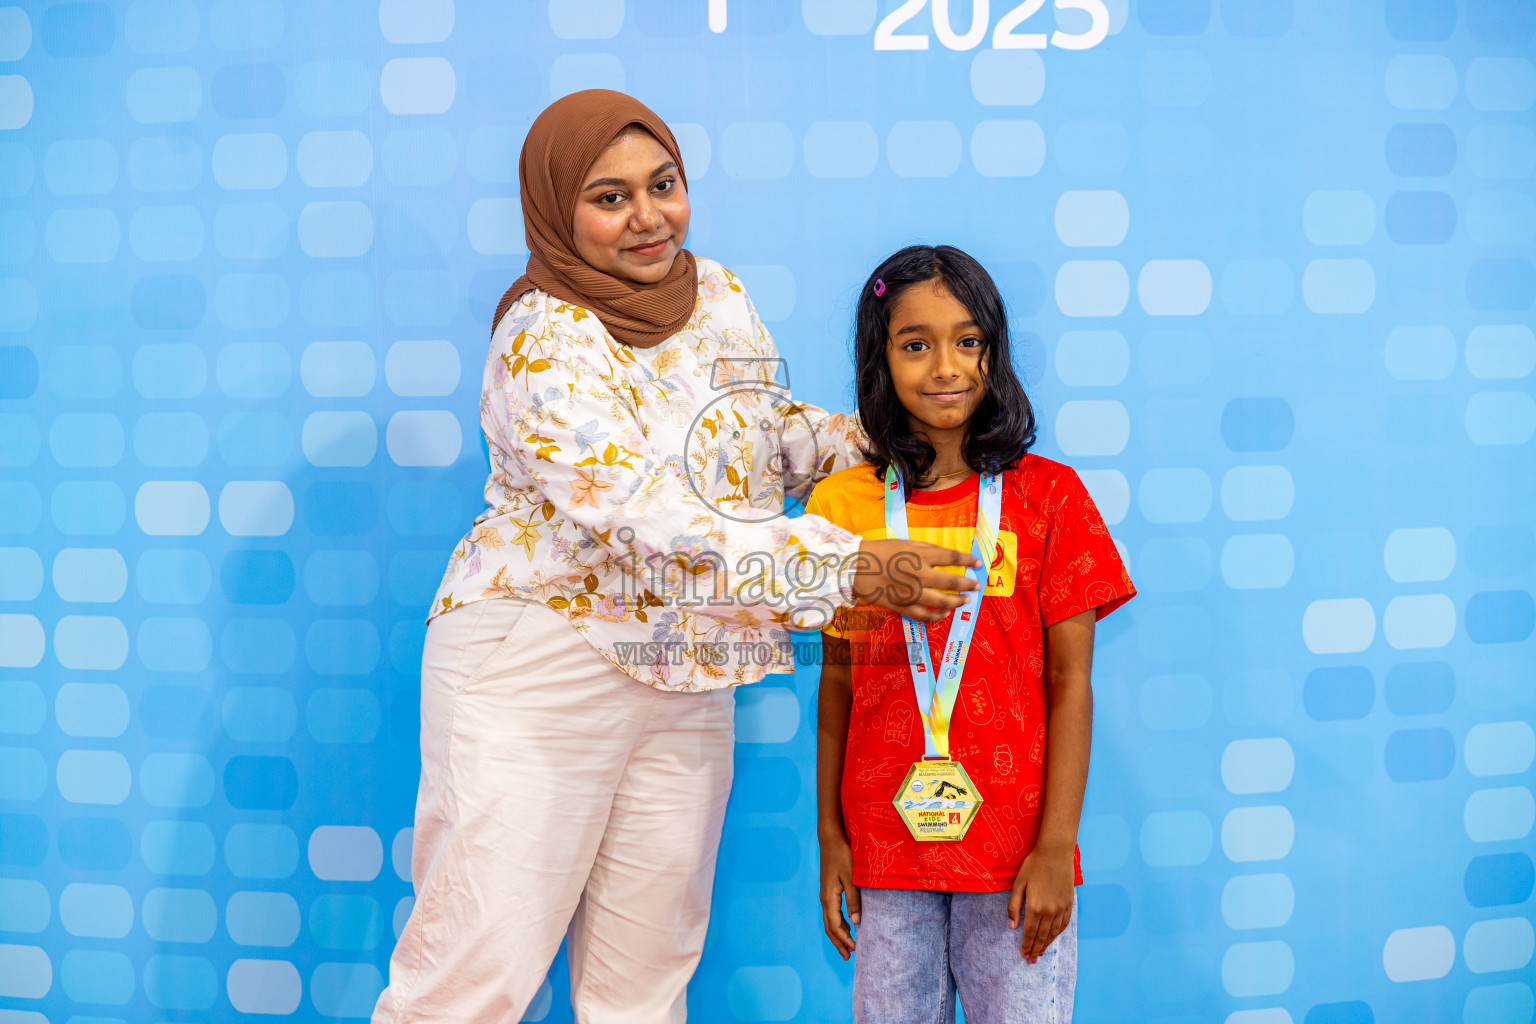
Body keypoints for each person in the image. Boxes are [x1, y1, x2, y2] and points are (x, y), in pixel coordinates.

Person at [372, 93, 980, 1024]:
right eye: (610, 198)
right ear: (554, 209)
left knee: (647, 983)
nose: (648, 216)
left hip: (687, 670)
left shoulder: (720, 298)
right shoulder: (540, 339)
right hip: (540, 671)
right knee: (473, 975)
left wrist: (881, 444)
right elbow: (647, 515)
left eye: (664, 186)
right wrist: (846, 565)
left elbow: (760, 438)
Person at [806, 245, 1136, 1023]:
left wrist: (1057, 848)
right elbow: (839, 682)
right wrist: (831, 837)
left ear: (994, 347)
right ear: (880, 359)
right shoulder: (842, 505)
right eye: (915, 344)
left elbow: (1069, 684)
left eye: (968, 341)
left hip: (1017, 858)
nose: (945, 366)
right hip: (886, 850)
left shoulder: (1051, 497)